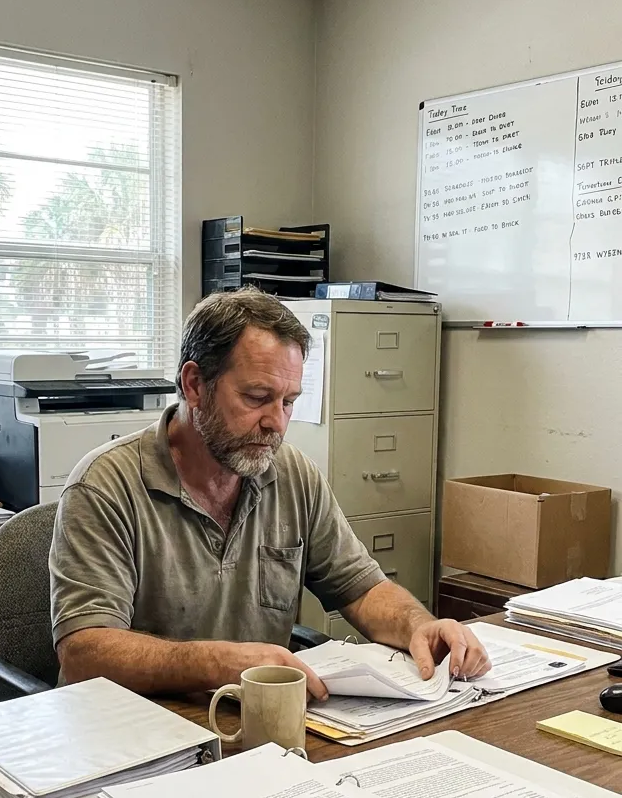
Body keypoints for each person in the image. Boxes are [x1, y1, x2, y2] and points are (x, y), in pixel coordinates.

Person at [51, 289, 489, 700]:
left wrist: (421, 625)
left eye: (289, 401)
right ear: (194, 385)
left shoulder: (292, 474)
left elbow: (361, 588)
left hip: (258, 720)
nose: (276, 423)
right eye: (258, 397)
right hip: (141, 733)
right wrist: (217, 662)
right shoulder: (104, 486)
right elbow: (84, 653)